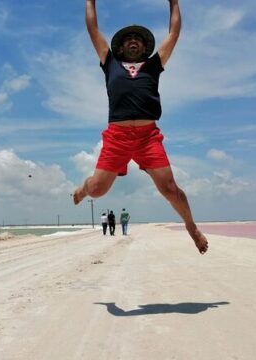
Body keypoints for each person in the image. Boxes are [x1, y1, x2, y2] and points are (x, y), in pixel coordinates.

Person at [73, 0, 208, 254]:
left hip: (148, 138)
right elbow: (92, 29)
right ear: (121, 47)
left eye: (138, 39)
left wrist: (174, 2)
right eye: (128, 39)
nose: (133, 41)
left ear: (145, 47)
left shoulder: (154, 65)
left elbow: (174, 33)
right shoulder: (109, 63)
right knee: (98, 190)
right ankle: (83, 188)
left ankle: (191, 227)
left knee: (170, 188)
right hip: (117, 137)